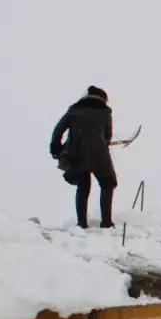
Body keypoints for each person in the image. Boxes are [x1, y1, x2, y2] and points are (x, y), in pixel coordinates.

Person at [50, 85, 116, 228]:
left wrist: (56, 148)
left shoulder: (74, 110)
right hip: (99, 154)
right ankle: (106, 222)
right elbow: (108, 135)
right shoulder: (104, 112)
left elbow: (58, 130)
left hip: (77, 154)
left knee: (83, 187)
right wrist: (100, 143)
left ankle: (82, 223)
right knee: (107, 184)